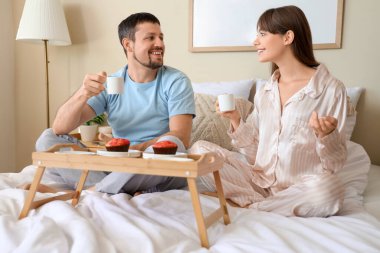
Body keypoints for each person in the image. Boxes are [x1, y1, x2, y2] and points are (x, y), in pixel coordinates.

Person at [190, 5, 349, 217]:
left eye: (262, 34)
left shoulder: (331, 90)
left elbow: (335, 164)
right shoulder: (266, 91)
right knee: (199, 151)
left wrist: (326, 136)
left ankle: (250, 206)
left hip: (299, 189)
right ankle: (265, 203)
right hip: (258, 182)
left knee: (330, 190)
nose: (255, 41)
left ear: (287, 37)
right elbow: (256, 156)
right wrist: (236, 120)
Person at [35, 12, 195, 195]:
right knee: (47, 138)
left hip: (158, 168)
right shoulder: (114, 83)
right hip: (118, 165)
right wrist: (82, 93)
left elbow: (181, 136)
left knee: (172, 143)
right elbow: (59, 127)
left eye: (161, 37)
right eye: (150, 38)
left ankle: (90, 190)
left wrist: (136, 149)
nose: (159, 44)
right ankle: (112, 187)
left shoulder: (176, 81)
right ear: (128, 45)